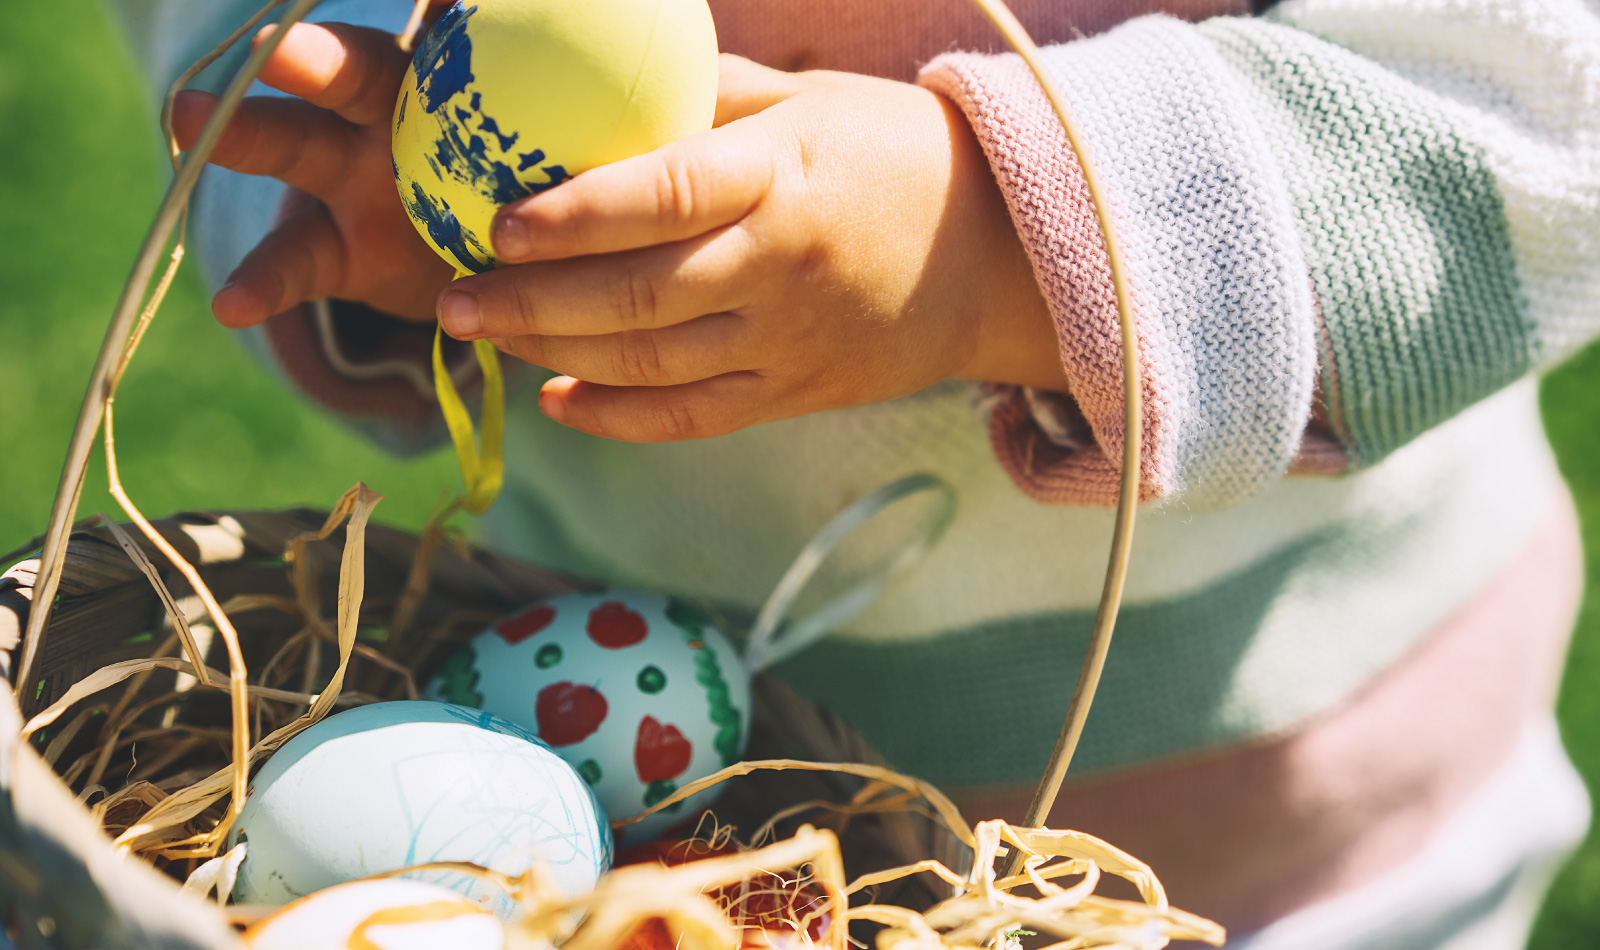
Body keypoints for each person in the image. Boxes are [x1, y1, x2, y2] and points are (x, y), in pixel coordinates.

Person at [107, 0, 1600, 946]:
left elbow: (1538, 105)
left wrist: (994, 246)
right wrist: (391, 131)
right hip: (655, 840)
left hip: (1287, 849)